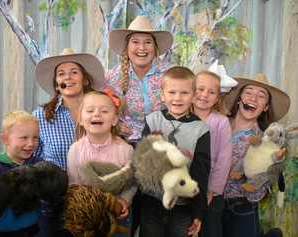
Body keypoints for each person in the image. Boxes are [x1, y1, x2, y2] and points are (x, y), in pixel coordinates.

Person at [140, 66, 211, 237]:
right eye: (172, 92)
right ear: (162, 94)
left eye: (184, 93)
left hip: (183, 206)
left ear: (194, 96)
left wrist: (198, 213)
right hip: (152, 202)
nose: (177, 98)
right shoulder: (152, 120)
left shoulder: (201, 129)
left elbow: (201, 172)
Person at [222, 73, 290, 237]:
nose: (253, 98)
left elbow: (258, 192)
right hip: (210, 205)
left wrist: (264, 176)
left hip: (241, 207)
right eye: (249, 92)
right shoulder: (218, 122)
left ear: (266, 106)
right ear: (239, 99)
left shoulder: (266, 142)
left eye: (261, 96)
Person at [66, 90, 135, 231]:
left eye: (104, 111)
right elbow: (73, 183)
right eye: (90, 110)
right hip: (87, 217)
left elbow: (132, 184)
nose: (96, 114)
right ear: (80, 119)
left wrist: (124, 201)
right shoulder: (75, 150)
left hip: (117, 214)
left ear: (115, 119)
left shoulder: (126, 150)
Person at [33, 48, 105, 170]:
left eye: (74, 72)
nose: (68, 77)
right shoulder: (40, 116)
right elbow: (33, 158)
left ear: (85, 80)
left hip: (97, 186)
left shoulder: (102, 112)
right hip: (56, 186)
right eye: (61, 74)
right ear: (56, 85)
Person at [105, 15, 173, 144]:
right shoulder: (112, 77)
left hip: (165, 142)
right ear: (127, 47)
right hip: (127, 142)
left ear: (155, 48)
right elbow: (101, 109)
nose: (142, 48)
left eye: (148, 42)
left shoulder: (170, 74)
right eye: (135, 42)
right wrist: (114, 124)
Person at [192, 61, 237, 237]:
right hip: (186, 188)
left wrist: (211, 189)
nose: (204, 95)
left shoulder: (221, 122)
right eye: (200, 89)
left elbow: (224, 159)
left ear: (218, 98)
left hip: (211, 190)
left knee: (211, 229)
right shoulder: (182, 117)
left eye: (211, 92)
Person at [0, 110, 42, 236]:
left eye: (35, 137)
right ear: (5, 139)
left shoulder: (38, 164)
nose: (31, 143)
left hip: (33, 229)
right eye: (24, 138)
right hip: (1, 232)